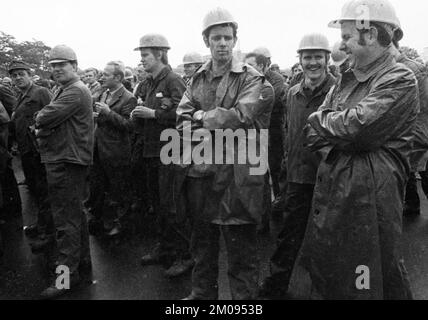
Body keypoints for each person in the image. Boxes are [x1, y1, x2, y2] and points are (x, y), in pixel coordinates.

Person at [288, 0, 417, 299]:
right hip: (337, 187)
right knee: (337, 272)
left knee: (370, 274)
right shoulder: (347, 77)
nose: (343, 44)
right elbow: (313, 131)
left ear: (369, 34)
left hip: (370, 197)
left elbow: (358, 129)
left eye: (346, 36)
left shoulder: (399, 78)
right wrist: (334, 134)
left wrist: (329, 127)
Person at [176, 7, 273, 300]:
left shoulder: (252, 78)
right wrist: (203, 120)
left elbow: (240, 116)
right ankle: (202, 294)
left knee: (241, 251)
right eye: (216, 37)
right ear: (206, 40)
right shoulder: (197, 78)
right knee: (202, 244)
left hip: (238, 177)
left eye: (227, 37)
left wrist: (200, 118)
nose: (222, 43)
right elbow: (181, 116)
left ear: (235, 40)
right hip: (203, 174)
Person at [258, 34, 336, 299]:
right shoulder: (292, 93)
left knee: (327, 240)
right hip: (297, 178)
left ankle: (324, 291)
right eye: (307, 57)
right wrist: (285, 170)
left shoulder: (338, 92)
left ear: (326, 59)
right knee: (288, 237)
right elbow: (290, 132)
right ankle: (275, 285)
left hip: (328, 179)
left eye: (317, 57)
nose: (312, 62)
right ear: (300, 60)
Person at [35, 44, 94, 299]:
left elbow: (44, 118)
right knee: (74, 216)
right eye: (53, 66)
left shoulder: (75, 91)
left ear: (75, 66)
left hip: (65, 160)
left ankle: (64, 277)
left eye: (62, 65)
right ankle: (81, 264)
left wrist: (41, 122)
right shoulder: (66, 89)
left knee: (65, 220)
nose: (57, 69)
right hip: (66, 159)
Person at [132, 34, 190, 277]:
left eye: (145, 55)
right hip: (151, 150)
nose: (142, 60)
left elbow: (184, 113)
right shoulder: (149, 83)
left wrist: (153, 114)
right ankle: (165, 248)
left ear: (160, 54)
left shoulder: (173, 81)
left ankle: (185, 255)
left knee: (172, 205)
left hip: (169, 150)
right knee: (158, 203)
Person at [8, 60, 54, 252]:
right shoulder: (21, 95)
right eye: (14, 75)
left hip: (39, 151)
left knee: (45, 192)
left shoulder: (41, 92)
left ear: (29, 74)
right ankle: (41, 224)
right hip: (26, 152)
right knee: (36, 190)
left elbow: (53, 116)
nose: (18, 78)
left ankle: (48, 233)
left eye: (21, 74)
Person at [87, 61, 137, 237]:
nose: (102, 77)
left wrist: (108, 113)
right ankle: (102, 220)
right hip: (99, 148)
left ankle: (121, 224)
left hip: (116, 151)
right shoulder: (103, 93)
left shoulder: (129, 97)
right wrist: (98, 116)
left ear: (118, 77)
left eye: (106, 75)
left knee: (119, 190)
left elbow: (129, 125)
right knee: (99, 186)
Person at [389, 31, 428, 216]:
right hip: (409, 129)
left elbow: (421, 104)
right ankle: (412, 204)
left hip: (417, 128)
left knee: (420, 169)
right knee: (409, 169)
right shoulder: (396, 68)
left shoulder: (409, 69)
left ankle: (412, 204)